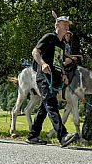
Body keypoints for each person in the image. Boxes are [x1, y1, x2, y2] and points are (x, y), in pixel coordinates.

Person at [27, 14, 79, 147]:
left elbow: (57, 61)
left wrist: (63, 74)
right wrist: (43, 64)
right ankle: (63, 136)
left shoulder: (61, 44)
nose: (67, 25)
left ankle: (33, 135)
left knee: (44, 108)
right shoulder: (49, 37)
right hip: (44, 77)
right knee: (51, 104)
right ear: (57, 25)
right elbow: (35, 52)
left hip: (54, 78)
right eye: (64, 23)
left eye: (68, 23)